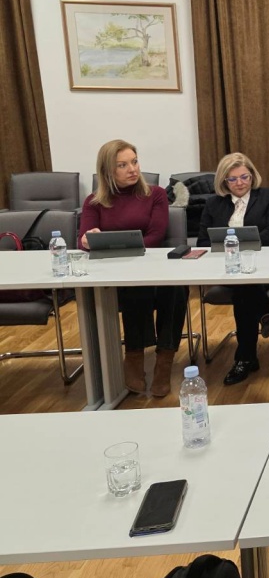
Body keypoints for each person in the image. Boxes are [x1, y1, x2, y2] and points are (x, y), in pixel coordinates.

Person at [79, 139, 187, 398]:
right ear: (108, 170)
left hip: (151, 265)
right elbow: (83, 239)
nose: (133, 169)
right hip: (114, 273)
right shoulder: (94, 201)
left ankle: (164, 360)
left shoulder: (155, 194)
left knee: (176, 287)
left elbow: (156, 235)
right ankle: (134, 357)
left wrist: (116, 248)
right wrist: (87, 240)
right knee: (135, 288)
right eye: (123, 165)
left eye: (134, 162)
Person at [197, 152, 269, 385]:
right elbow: (203, 241)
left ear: (252, 176)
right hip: (225, 268)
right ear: (223, 181)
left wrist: (241, 247)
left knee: (244, 289)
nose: (240, 183)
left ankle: (245, 358)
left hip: (265, 266)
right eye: (233, 179)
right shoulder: (213, 204)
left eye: (244, 177)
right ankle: (266, 318)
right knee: (244, 285)